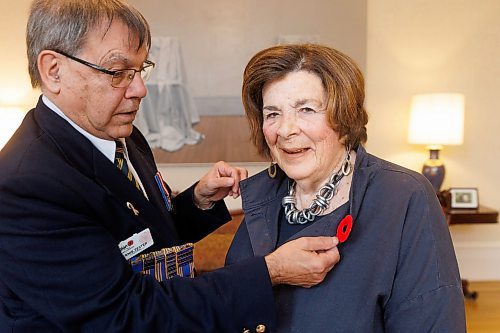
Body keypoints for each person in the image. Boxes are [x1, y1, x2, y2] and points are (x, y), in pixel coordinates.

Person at [0, 2, 341, 332]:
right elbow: (127, 316)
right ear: (54, 70)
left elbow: (139, 237)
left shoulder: (121, 137)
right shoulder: (26, 185)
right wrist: (269, 272)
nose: (140, 90)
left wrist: (197, 202)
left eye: (140, 70)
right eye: (118, 72)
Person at [225, 44, 466, 332]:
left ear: (344, 116)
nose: (286, 130)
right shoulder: (261, 196)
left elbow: (432, 323)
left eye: (306, 109)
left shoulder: (403, 196)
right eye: (272, 114)